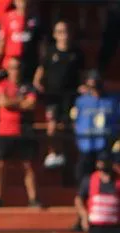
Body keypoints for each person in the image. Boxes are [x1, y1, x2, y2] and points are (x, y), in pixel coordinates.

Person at [0, 56, 40, 208]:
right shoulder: (2, 85)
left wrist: (13, 102)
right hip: (5, 131)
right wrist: (21, 101)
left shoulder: (29, 86)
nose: (15, 71)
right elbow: (2, 102)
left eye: (18, 67)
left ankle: (33, 199)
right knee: (0, 165)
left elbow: (31, 104)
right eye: (12, 67)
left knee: (28, 165)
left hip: (24, 130)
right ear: (7, 70)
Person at [34, 21, 83, 169]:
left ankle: (72, 156)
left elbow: (82, 75)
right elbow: (40, 73)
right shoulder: (50, 52)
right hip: (53, 96)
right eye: (60, 32)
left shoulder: (77, 53)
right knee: (52, 125)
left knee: (73, 125)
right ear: (55, 35)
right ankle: (53, 153)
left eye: (66, 31)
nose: (64, 35)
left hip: (71, 97)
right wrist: (38, 85)